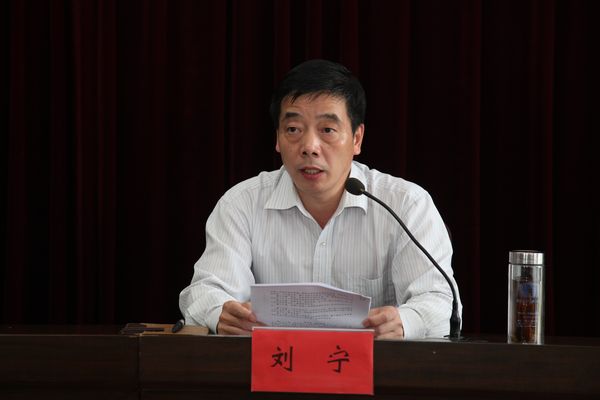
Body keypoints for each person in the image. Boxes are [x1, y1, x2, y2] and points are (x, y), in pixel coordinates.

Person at [179, 59, 461, 339]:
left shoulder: (406, 204)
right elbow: (206, 290)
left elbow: (439, 300)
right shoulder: (241, 204)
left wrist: (404, 322)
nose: (309, 147)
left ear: (357, 138)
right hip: (274, 365)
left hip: (378, 367)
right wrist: (221, 313)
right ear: (277, 138)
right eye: (293, 129)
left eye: (327, 130)